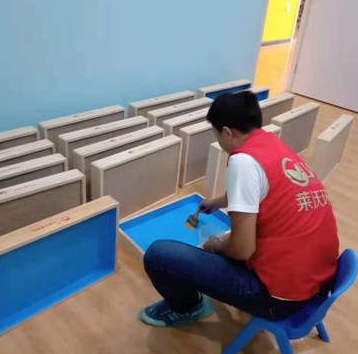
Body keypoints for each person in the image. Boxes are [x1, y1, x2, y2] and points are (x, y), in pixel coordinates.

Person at [139, 91, 339, 327]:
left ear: (226, 132)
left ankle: (188, 307)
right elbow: (266, 191)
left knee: (159, 255)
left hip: (277, 298)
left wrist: (214, 246)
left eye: (216, 134)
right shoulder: (273, 144)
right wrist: (219, 202)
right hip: (317, 281)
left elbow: (243, 250)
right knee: (228, 241)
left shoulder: (242, 161)